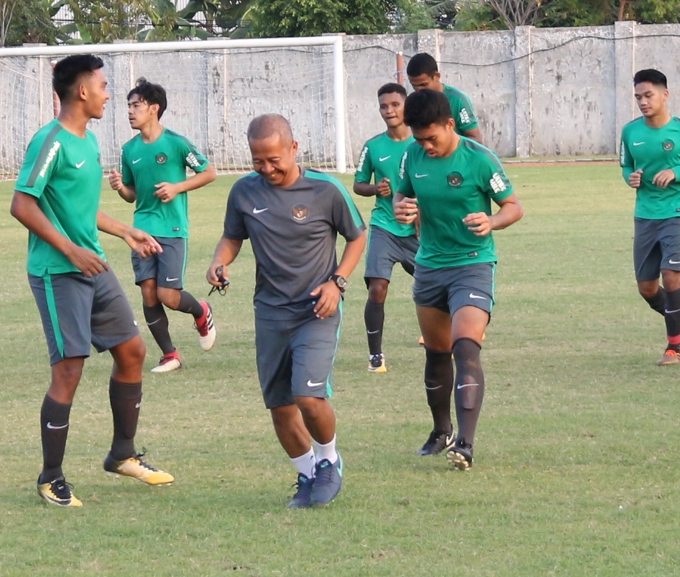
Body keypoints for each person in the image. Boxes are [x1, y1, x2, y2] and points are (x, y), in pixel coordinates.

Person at [11, 54, 174, 507]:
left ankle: (122, 454)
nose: (108, 93)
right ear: (81, 91)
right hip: (57, 271)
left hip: (93, 266)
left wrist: (125, 230)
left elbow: (79, 210)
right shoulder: (52, 142)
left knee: (133, 351)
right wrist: (70, 250)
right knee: (69, 369)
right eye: (102, 85)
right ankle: (51, 477)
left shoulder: (89, 142)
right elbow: (23, 205)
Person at [208, 115, 366, 508]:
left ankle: (329, 460)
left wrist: (338, 282)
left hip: (316, 309)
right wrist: (219, 262)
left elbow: (358, 236)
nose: (267, 169)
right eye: (258, 161)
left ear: (295, 149)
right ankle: (307, 473)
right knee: (280, 406)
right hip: (270, 311)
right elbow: (232, 236)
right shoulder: (244, 192)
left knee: (307, 397)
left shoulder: (326, 190)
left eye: (274, 159)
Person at [392, 86, 524, 470]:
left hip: (472, 263)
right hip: (430, 265)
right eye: (419, 139)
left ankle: (465, 444)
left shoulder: (481, 160)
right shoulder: (412, 156)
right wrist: (402, 209)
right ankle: (440, 430)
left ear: (451, 125)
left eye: (431, 138)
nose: (426, 147)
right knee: (436, 355)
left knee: (466, 346)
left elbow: (514, 207)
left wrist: (492, 220)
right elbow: (402, 197)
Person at [112, 78, 218, 373]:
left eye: (136, 105)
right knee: (148, 292)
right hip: (142, 227)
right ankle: (170, 354)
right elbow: (132, 194)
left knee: (168, 296)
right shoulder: (128, 149)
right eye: (129, 106)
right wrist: (121, 187)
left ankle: (201, 310)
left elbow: (209, 173)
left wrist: (177, 187)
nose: (130, 111)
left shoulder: (176, 143)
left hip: (172, 228)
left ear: (154, 108)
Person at [618, 69, 680, 364]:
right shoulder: (630, 132)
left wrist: (679, 172)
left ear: (665, 95)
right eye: (638, 97)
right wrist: (631, 178)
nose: (643, 102)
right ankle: (676, 318)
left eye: (648, 95)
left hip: (676, 213)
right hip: (644, 215)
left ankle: (673, 347)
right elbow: (625, 166)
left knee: (671, 277)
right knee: (647, 287)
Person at [353, 83, 421, 374]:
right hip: (384, 226)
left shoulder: (421, 144)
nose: (389, 110)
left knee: (438, 286)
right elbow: (358, 184)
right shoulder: (373, 146)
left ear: (407, 106)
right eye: (384, 106)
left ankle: (449, 339)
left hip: (418, 230)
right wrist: (374, 189)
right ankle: (375, 356)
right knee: (377, 289)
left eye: (395, 104)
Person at [405, 52, 482, 144]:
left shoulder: (457, 100)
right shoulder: (414, 102)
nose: (418, 90)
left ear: (436, 76)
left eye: (423, 84)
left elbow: (475, 139)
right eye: (414, 85)